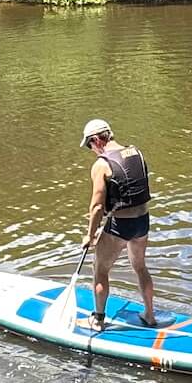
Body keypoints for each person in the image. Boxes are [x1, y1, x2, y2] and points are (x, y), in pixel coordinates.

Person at [80, 118, 159, 329]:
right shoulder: (136, 153)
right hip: (143, 221)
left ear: (97, 140)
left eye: (89, 145)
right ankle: (150, 315)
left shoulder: (101, 165)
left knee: (100, 268)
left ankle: (97, 319)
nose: (91, 150)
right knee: (140, 267)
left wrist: (90, 235)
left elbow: (96, 206)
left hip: (121, 225)